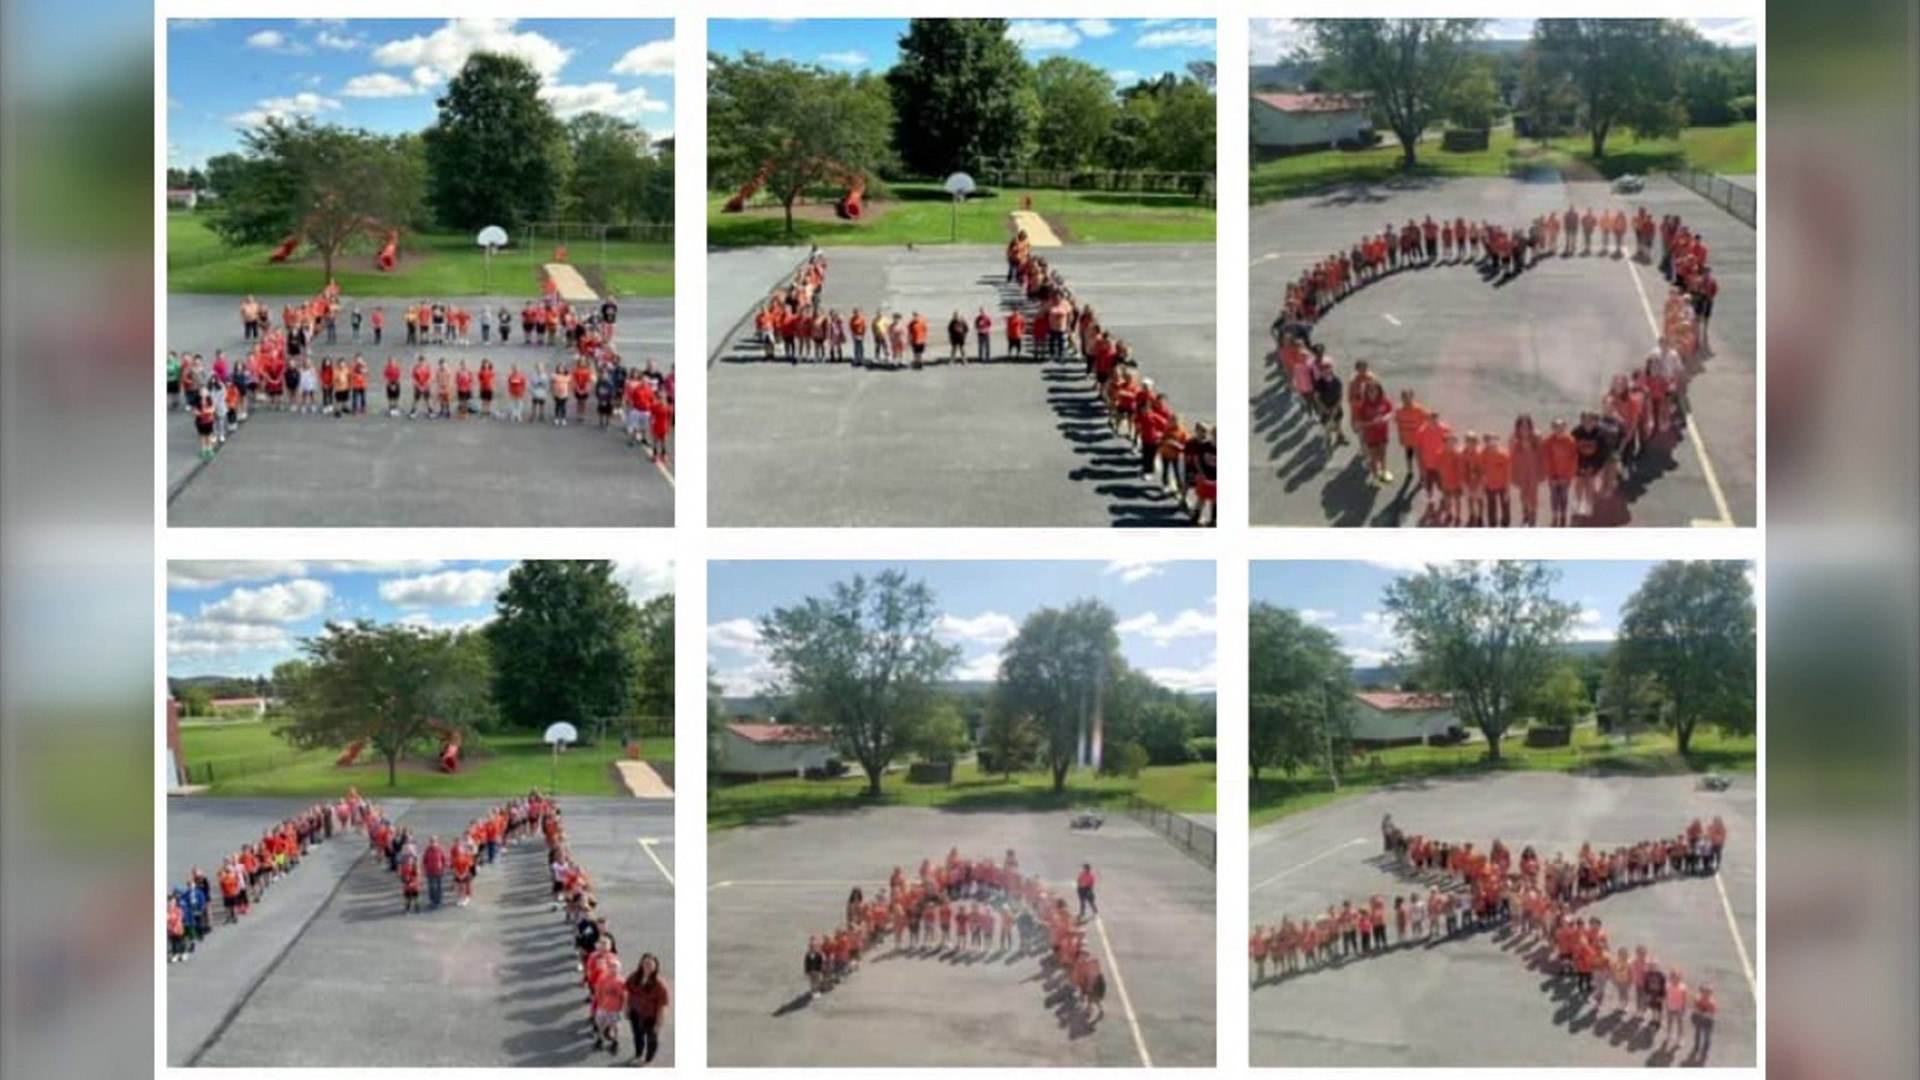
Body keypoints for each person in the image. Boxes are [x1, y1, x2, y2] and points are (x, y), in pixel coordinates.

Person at [625, 953, 669, 1065]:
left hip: (650, 1017)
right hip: (635, 1012)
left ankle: (648, 1059)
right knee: (637, 1035)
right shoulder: (634, 977)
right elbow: (628, 992)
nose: (648, 966)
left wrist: (658, 1024)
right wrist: (627, 1008)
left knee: (651, 1039)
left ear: (655, 966)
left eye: (651, 964)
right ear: (641, 964)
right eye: (645, 963)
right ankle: (638, 1054)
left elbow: (661, 1006)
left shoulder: (659, 985)